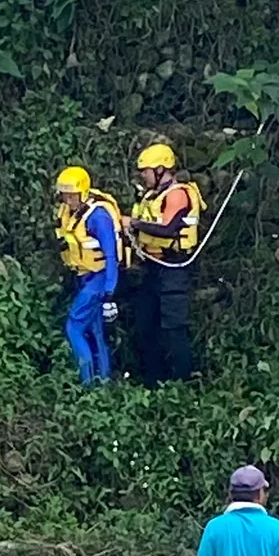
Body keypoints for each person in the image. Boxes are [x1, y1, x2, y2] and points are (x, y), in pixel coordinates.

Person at [121, 143, 206, 387]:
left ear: (160, 170)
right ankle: (152, 379)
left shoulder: (177, 194)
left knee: (173, 326)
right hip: (152, 266)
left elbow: (168, 229)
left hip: (174, 267)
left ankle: (183, 380)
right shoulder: (152, 195)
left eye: (146, 171)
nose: (143, 176)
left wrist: (135, 224)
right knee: (146, 320)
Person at [55, 166, 122, 385]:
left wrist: (109, 292)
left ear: (82, 193)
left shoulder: (98, 217)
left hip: (99, 278)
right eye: (64, 194)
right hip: (84, 277)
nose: (67, 199)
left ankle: (86, 384)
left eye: (71, 195)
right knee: (94, 330)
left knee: (74, 327)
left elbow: (111, 255)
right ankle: (102, 383)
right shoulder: (72, 213)